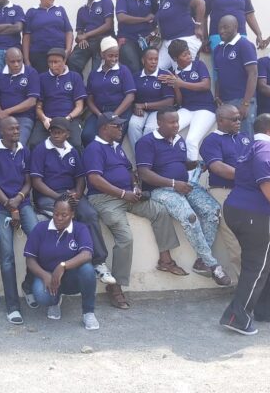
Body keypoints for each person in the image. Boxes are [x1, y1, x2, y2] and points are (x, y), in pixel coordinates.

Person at [84, 113, 185, 310]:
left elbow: (130, 171)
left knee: (160, 211)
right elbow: (95, 179)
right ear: (104, 128)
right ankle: (116, 287)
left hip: (128, 195)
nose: (120, 128)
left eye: (121, 125)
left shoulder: (116, 147)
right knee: (126, 238)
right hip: (105, 199)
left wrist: (135, 186)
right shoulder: (94, 148)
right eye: (116, 126)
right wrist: (123, 194)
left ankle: (165, 260)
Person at [136, 108, 230, 287]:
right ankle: (212, 264)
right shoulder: (146, 142)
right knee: (190, 217)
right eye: (171, 122)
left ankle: (201, 261)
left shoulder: (179, 140)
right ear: (159, 123)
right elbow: (144, 173)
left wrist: (196, 164)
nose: (176, 125)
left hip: (184, 186)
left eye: (177, 122)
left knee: (213, 211)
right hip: (161, 190)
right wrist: (173, 184)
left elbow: (180, 163)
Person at [220, 113, 270, 336]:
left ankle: (266, 308)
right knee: (256, 265)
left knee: (267, 259)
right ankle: (236, 317)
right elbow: (265, 178)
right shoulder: (266, 148)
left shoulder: (254, 145)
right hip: (257, 213)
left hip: (245, 211)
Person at [30, 117, 115, 285]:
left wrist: (78, 193)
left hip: (70, 195)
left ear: (68, 134)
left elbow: (80, 177)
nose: (55, 135)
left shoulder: (73, 151)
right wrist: (58, 197)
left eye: (59, 132)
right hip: (48, 196)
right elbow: (36, 182)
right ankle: (67, 263)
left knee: (89, 214)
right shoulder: (41, 150)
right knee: (64, 217)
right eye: (53, 131)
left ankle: (98, 263)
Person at [0, 116, 39, 325]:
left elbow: (28, 182)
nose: (16, 131)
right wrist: (10, 205)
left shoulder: (24, 150)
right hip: (1, 206)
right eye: (12, 129)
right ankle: (13, 306)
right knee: (7, 255)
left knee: (39, 241)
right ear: (1, 131)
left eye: (17, 128)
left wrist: (20, 198)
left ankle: (28, 285)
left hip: (22, 202)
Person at [24, 196, 100, 330]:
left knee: (88, 270)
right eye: (56, 214)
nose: (58, 218)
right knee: (41, 296)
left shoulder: (80, 228)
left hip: (71, 277)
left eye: (64, 215)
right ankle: (54, 302)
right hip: (48, 276)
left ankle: (88, 312)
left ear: (72, 214)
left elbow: (86, 254)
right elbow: (30, 260)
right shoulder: (40, 228)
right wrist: (44, 275)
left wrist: (63, 266)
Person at [199, 104, 252, 280]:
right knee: (234, 241)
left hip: (247, 192)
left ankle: (256, 284)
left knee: (251, 239)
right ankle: (245, 285)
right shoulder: (211, 141)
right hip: (223, 192)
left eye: (239, 118)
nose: (238, 121)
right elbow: (218, 167)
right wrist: (249, 176)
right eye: (234, 119)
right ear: (220, 121)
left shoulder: (244, 137)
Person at [158, 39, 216, 165]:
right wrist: (176, 86)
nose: (189, 56)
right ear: (175, 58)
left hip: (206, 108)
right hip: (187, 108)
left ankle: (192, 175)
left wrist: (182, 83)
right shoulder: (175, 74)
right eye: (184, 55)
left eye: (189, 53)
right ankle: (168, 165)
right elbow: (180, 102)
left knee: (191, 140)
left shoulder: (198, 65)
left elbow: (206, 86)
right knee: (164, 131)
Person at [148, 0, 206, 71]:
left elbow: (200, 3)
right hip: (167, 43)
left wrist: (198, 26)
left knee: (183, 73)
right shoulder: (161, 1)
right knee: (156, 70)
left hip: (185, 40)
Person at [82, 36, 136, 147]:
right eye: (110, 56)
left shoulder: (123, 70)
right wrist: (99, 115)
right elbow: (90, 98)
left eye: (116, 56)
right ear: (102, 54)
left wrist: (114, 115)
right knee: (87, 135)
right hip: (100, 113)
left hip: (120, 113)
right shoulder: (94, 74)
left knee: (112, 137)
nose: (114, 59)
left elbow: (130, 96)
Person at [30, 48, 86, 151]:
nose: (53, 65)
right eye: (50, 62)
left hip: (69, 119)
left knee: (76, 145)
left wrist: (68, 118)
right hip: (48, 120)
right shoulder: (42, 78)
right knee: (34, 143)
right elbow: (38, 106)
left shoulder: (75, 77)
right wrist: (44, 119)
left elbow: (79, 106)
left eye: (56, 62)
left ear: (64, 61)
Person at [213, 15, 258, 136]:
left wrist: (246, 103)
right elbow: (218, 76)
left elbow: (253, 74)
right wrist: (217, 95)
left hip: (242, 100)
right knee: (228, 139)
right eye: (220, 28)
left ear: (236, 27)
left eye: (226, 27)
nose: (222, 31)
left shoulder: (245, 45)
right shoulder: (217, 49)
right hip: (225, 102)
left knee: (245, 138)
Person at [0, 47, 40, 147]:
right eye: (12, 61)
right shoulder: (0, 74)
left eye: (19, 61)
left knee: (18, 143)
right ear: (6, 61)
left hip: (24, 117)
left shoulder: (31, 73)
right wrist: (0, 113)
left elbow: (32, 101)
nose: (16, 64)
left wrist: (7, 112)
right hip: (3, 117)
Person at [127, 47, 174, 151]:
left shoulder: (164, 75)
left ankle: (148, 157)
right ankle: (139, 157)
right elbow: (131, 98)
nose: (154, 62)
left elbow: (169, 102)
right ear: (143, 60)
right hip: (141, 111)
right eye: (150, 59)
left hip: (159, 111)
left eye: (156, 59)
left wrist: (144, 105)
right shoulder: (136, 76)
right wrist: (135, 107)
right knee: (133, 125)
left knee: (150, 129)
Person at [67, 0, 114, 75]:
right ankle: (79, 83)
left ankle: (95, 84)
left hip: (104, 39)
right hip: (88, 42)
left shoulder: (105, 0)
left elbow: (108, 25)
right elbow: (79, 33)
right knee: (72, 60)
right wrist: (81, 39)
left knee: (97, 68)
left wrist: (86, 35)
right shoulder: (81, 10)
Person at [23, 0, 73, 73]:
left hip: (59, 53)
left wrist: (68, 50)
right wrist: (26, 59)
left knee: (59, 79)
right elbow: (26, 36)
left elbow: (68, 31)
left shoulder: (60, 9)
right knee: (41, 79)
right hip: (38, 54)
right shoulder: (32, 12)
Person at [116, 0, 157, 73]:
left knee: (148, 67)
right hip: (127, 39)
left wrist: (154, 32)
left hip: (146, 40)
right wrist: (144, 19)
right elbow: (121, 17)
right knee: (134, 67)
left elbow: (158, 16)